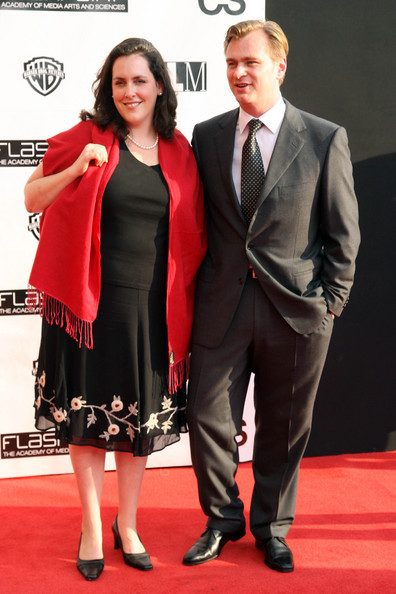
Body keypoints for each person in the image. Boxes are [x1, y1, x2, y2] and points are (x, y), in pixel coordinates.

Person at [25, 38, 206, 581]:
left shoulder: (179, 151)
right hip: (89, 308)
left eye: (140, 81)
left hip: (154, 312)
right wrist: (78, 167)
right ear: (109, 88)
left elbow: (195, 235)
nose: (129, 92)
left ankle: (127, 524)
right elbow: (33, 199)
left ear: (159, 87)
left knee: (137, 428)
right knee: (87, 424)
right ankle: (89, 525)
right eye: (119, 82)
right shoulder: (87, 138)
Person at [183, 19, 360, 573]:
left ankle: (272, 529)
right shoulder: (207, 135)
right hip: (222, 307)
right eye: (231, 61)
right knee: (208, 418)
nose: (238, 72)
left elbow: (343, 234)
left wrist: (329, 304)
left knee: (284, 429)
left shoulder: (324, 138)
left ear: (279, 67)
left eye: (250, 62)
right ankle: (221, 520)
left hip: (298, 310)